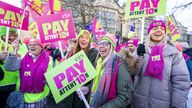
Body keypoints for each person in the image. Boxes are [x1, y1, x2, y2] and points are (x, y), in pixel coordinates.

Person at [133, 20, 190, 108]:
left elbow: (181, 82)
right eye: (155, 28)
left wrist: (177, 105)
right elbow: (132, 72)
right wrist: (139, 57)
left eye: (161, 29)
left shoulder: (173, 53)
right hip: (139, 102)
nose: (158, 30)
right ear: (149, 33)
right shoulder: (140, 50)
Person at [46, 30, 98, 108]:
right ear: (78, 40)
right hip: (70, 92)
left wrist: (88, 88)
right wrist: (64, 63)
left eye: (86, 38)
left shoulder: (94, 52)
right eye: (81, 37)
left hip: (82, 93)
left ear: (89, 41)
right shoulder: (73, 52)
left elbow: (92, 72)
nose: (84, 40)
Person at [5, 38, 53, 108]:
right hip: (23, 97)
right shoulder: (22, 58)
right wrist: (13, 52)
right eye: (30, 45)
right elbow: (9, 67)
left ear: (41, 47)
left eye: (35, 44)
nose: (32, 46)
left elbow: (55, 75)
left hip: (40, 97)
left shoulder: (49, 59)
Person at [89, 34, 132, 108]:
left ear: (112, 47)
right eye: (100, 43)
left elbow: (124, 98)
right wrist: (87, 89)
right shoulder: (98, 62)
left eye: (105, 44)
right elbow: (96, 86)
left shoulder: (120, 65)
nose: (102, 46)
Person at [0, 26, 19, 107]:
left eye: (14, 34)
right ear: (1, 35)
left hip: (17, 84)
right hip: (2, 85)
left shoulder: (23, 46)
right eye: (8, 34)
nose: (12, 37)